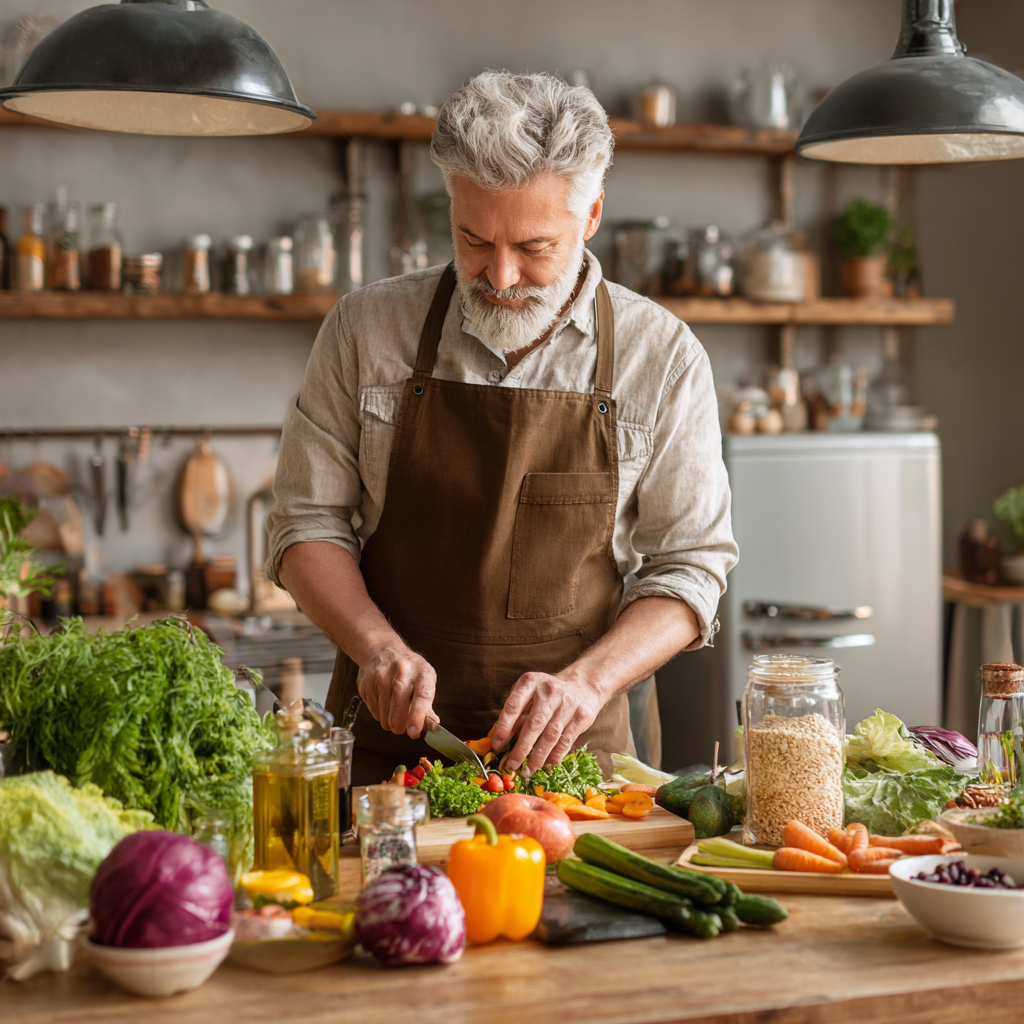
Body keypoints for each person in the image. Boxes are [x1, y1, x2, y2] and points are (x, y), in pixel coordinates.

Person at [267, 70, 738, 784]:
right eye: (474, 239)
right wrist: (376, 650)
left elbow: (691, 566)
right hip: (390, 767)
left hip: (582, 769)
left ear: (592, 216)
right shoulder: (366, 329)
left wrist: (586, 681)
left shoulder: (662, 356)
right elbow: (306, 527)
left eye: (535, 247)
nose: (503, 275)